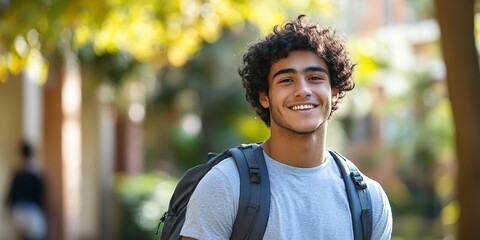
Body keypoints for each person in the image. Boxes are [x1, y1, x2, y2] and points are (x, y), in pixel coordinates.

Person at [180, 15, 393, 239]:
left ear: (334, 92)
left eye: (314, 77)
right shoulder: (225, 185)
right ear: (264, 97)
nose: (302, 90)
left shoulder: (369, 200)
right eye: (286, 80)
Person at [5, 141, 47, 240]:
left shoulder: (17, 174)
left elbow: (10, 195)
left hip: (18, 212)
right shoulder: (36, 175)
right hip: (31, 213)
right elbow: (40, 198)